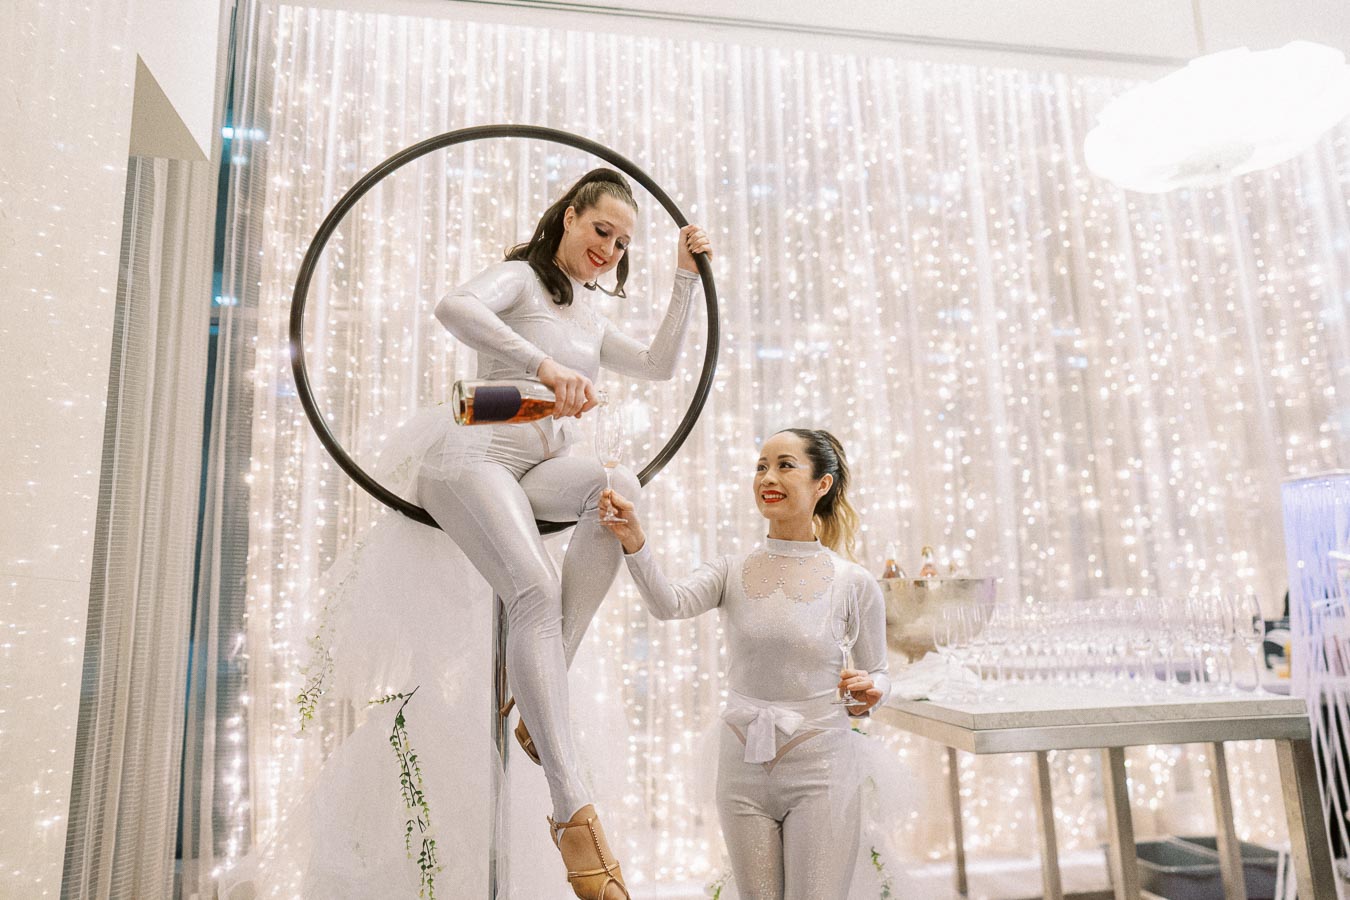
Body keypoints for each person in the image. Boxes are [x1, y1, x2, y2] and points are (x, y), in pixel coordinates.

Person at [410, 167, 711, 900]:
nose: (608, 248)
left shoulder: (587, 312)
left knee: (618, 487)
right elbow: (453, 305)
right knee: (535, 589)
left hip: (536, 465)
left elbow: (662, 366)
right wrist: (541, 363)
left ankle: (535, 702)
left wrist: (685, 281)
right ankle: (573, 815)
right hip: (473, 454)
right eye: (600, 229)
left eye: (621, 241)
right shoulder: (522, 280)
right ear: (570, 217)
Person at [598, 428, 890, 900]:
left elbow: (880, 675)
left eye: (785, 465)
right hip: (741, 770)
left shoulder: (853, 582)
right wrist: (635, 541)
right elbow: (668, 603)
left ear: (823, 484)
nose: (767, 477)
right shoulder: (731, 568)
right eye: (761, 466)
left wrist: (872, 689)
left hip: (822, 770)